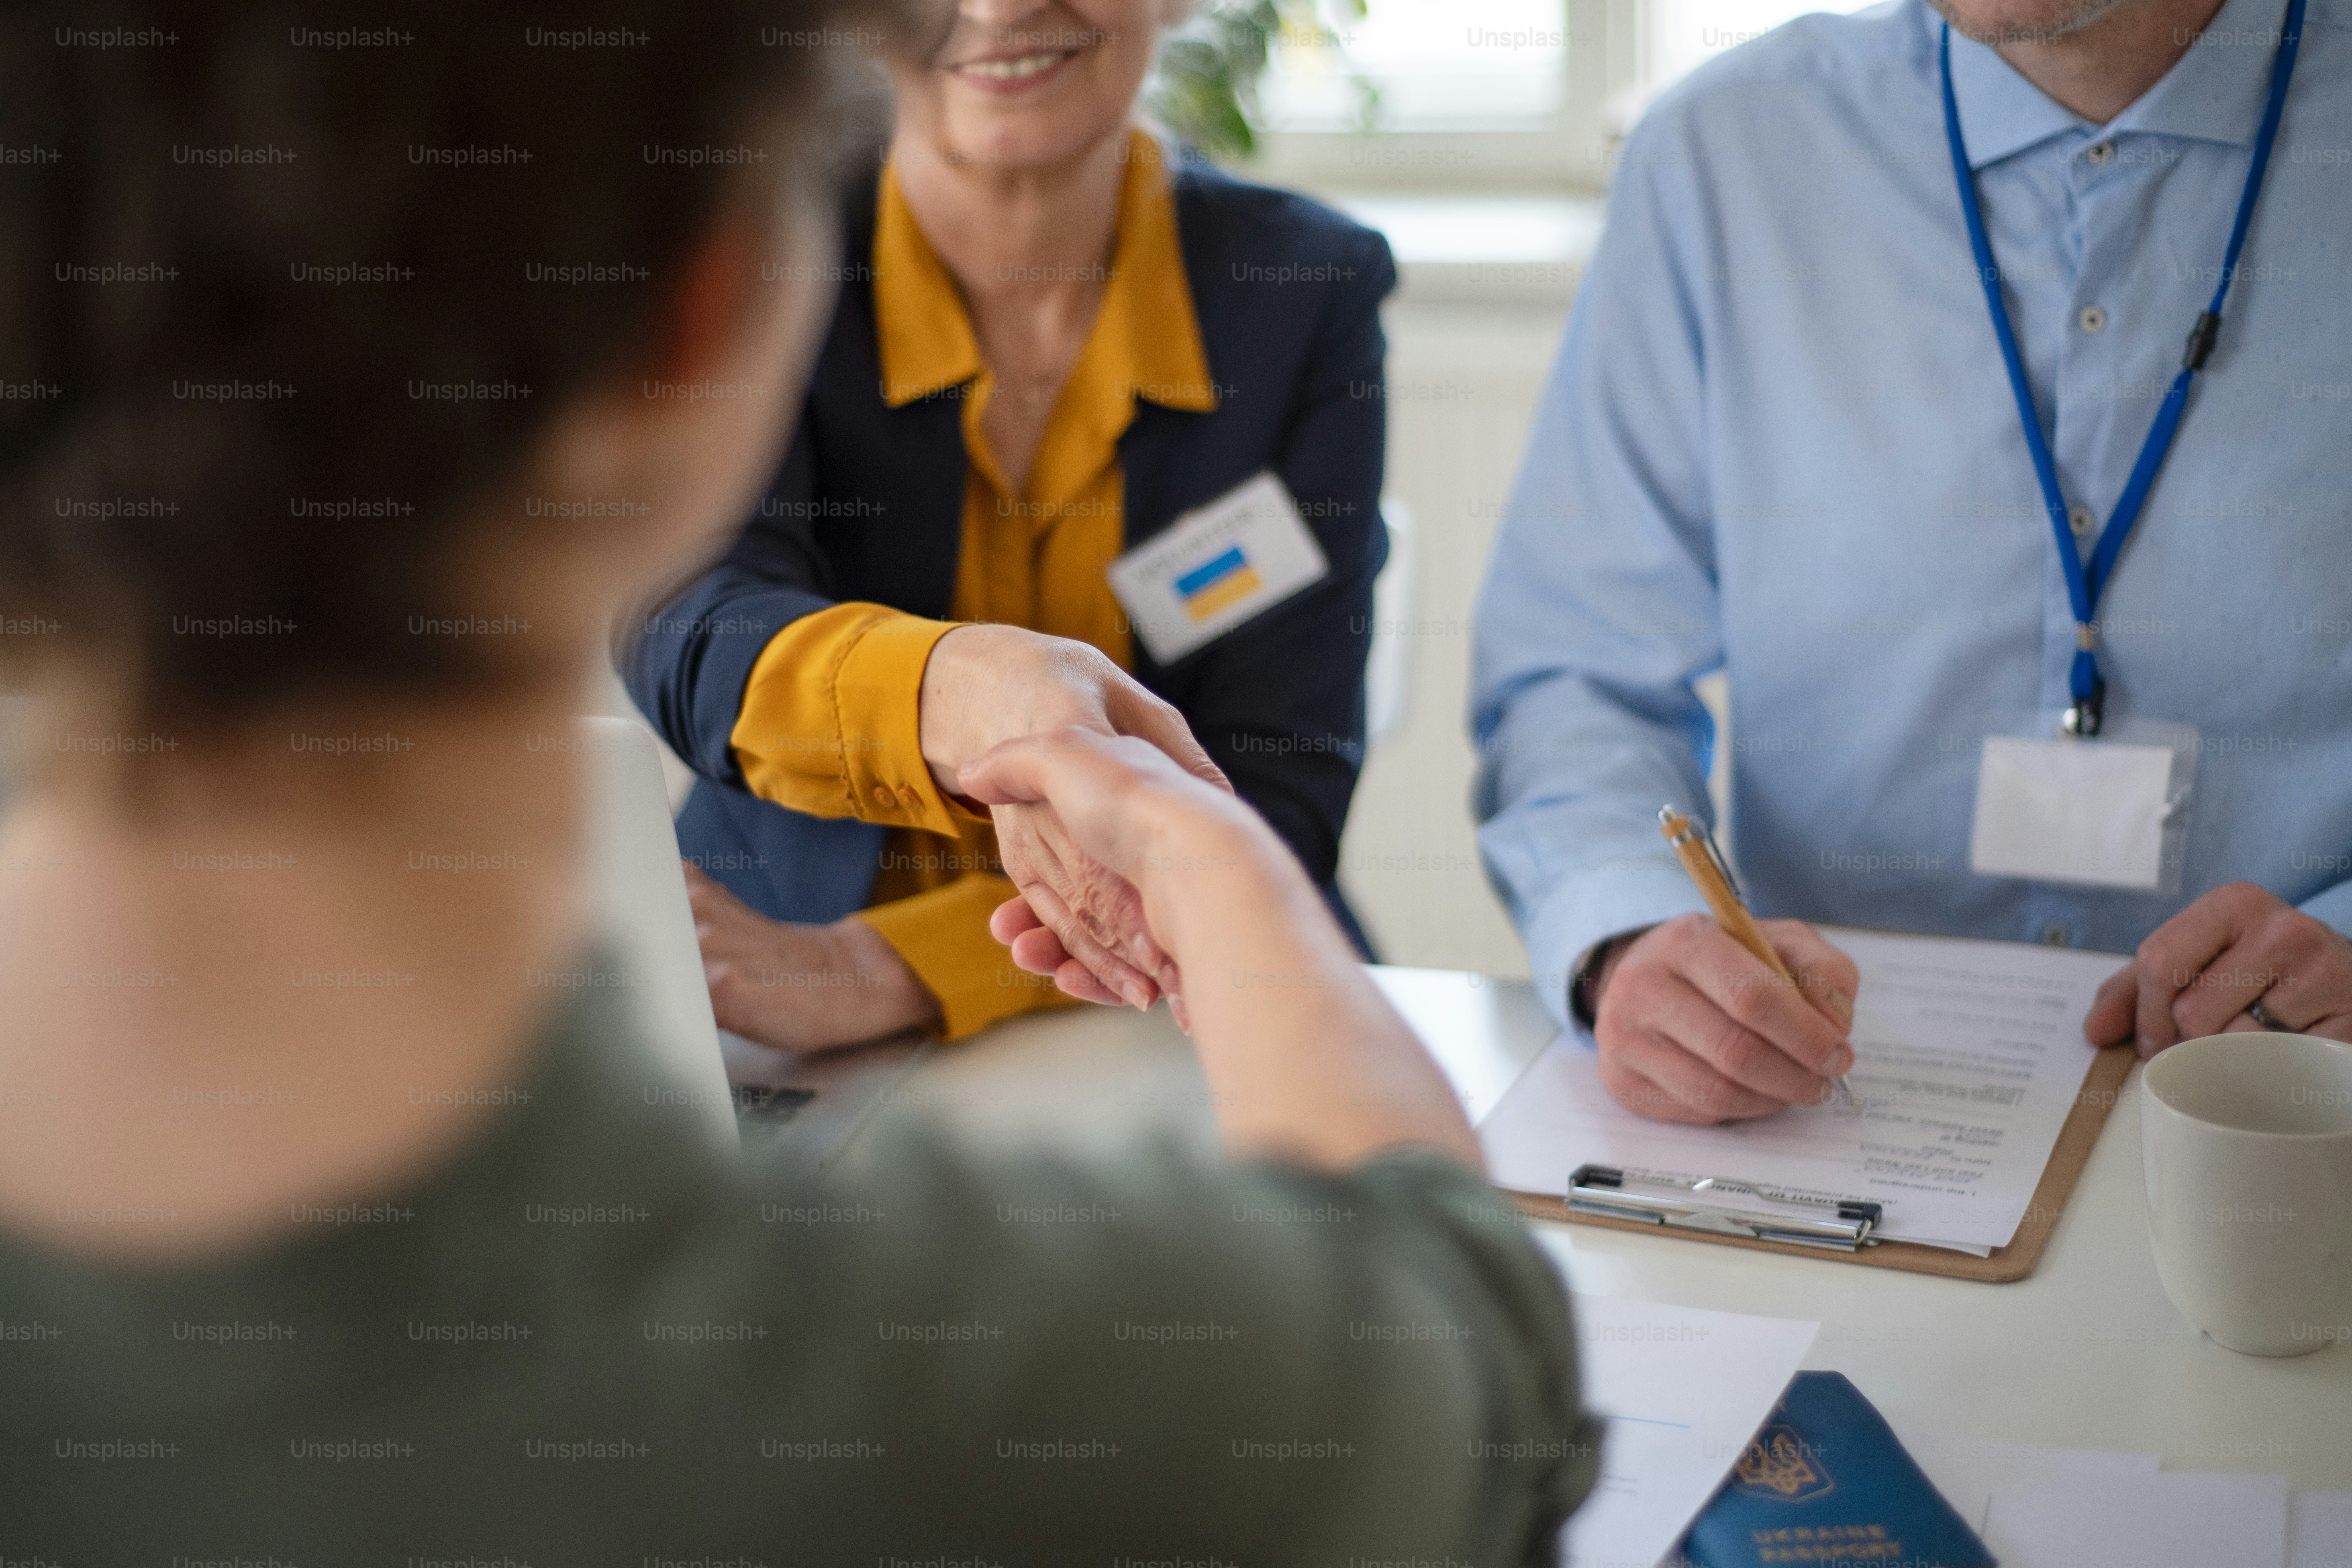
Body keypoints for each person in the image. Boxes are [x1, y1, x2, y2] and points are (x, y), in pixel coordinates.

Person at [0, 3, 1597, 1559]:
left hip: (1092, 1037)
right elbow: (1469, 1358)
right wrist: (1194, 848)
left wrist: (1120, 872)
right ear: (700, 312)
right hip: (845, 1021)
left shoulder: (1294, 285)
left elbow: (1287, 749)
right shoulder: (1003, 1384)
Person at [1473, 0, 2352, 1123]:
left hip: (2297, 1129)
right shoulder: (1724, 155)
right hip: (1835, 1126)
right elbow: (1573, 672)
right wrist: (1633, 932)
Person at [621, 0, 1395, 1053]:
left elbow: (1278, 785)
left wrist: (894, 966)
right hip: (765, 966)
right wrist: (967, 691)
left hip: (1166, 993)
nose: (995, 9)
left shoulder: (1306, 292)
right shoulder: (753, 250)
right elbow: (685, 621)